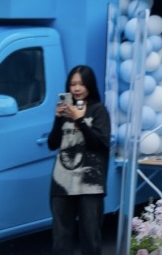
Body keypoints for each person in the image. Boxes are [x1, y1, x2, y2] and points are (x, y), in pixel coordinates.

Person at [47, 65, 111, 255]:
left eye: (81, 84)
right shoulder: (65, 111)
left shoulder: (99, 110)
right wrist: (58, 119)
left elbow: (99, 143)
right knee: (61, 236)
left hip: (90, 183)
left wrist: (80, 121)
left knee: (90, 236)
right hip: (62, 182)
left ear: (90, 85)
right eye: (73, 84)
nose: (76, 88)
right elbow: (52, 144)